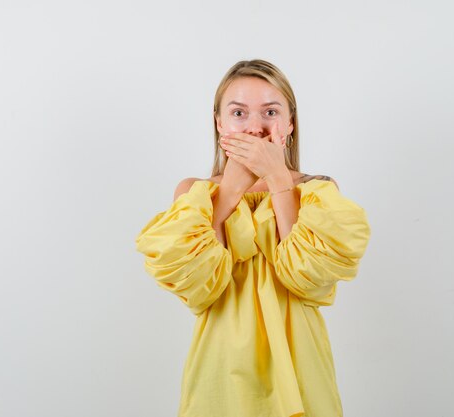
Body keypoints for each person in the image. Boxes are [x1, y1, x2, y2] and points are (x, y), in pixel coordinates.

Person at [134, 59, 372, 417]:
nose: (256, 127)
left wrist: (279, 180)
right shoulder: (193, 195)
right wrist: (228, 192)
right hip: (221, 369)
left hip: (300, 367)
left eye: (271, 112)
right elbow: (201, 289)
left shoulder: (318, 192)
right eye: (239, 113)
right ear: (219, 122)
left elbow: (306, 279)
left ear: (290, 122)